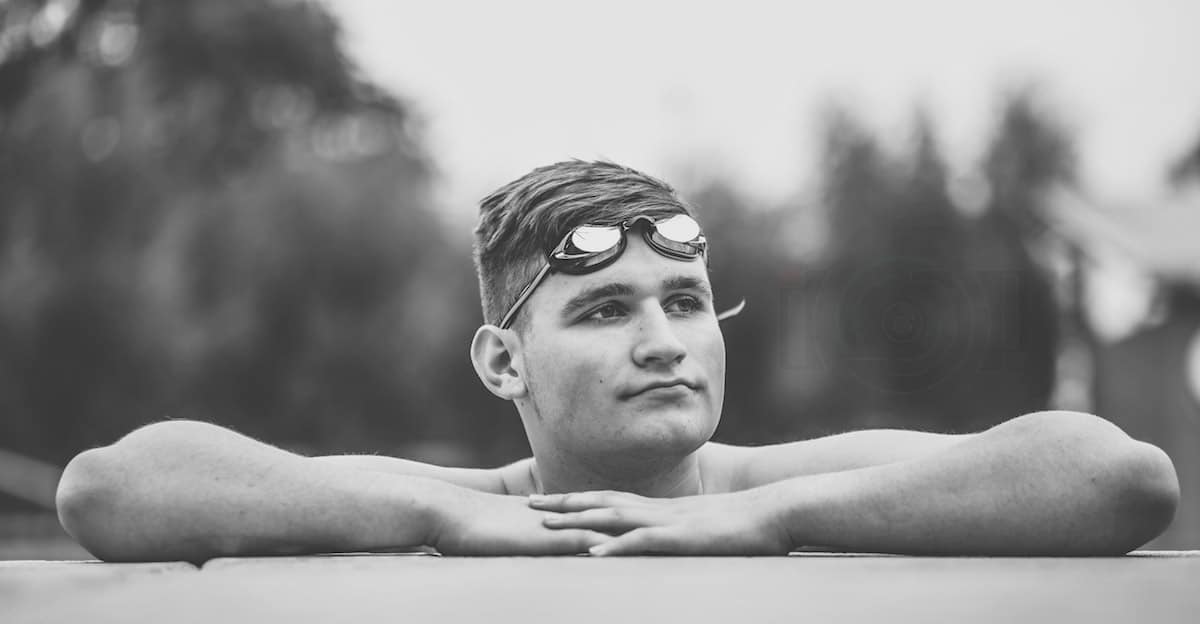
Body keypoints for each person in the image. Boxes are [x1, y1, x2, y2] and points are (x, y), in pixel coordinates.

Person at [55, 160, 1179, 562]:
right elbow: (111, 486)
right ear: (503, 362)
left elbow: (1120, 476)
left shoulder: (786, 489)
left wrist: (773, 522)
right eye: (600, 311)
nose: (662, 341)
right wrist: (438, 519)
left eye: (687, 299)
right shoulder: (465, 506)